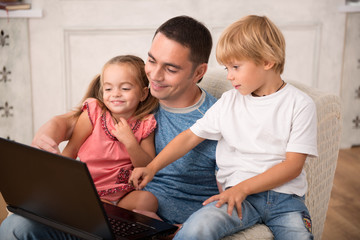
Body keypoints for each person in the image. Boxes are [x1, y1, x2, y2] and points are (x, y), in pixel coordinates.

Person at [0, 15, 219, 239]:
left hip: (161, 226)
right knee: (17, 225)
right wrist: (46, 134)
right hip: (107, 214)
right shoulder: (133, 99)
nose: (155, 75)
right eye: (152, 61)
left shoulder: (218, 118)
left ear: (199, 72)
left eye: (170, 69)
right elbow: (68, 122)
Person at [130, 15, 318, 240]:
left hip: (285, 200)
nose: (229, 76)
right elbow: (188, 138)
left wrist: (243, 188)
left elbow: (292, 167)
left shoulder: (300, 104)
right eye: (227, 67)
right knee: (197, 227)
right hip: (237, 198)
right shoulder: (229, 102)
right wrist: (152, 168)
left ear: (268, 61)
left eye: (235, 67)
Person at [62, 55, 158, 211]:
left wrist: (130, 142)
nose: (115, 94)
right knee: (101, 208)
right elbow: (71, 150)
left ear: (143, 93)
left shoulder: (145, 123)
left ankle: (114, 220)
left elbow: (146, 166)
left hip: (124, 195)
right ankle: (111, 219)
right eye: (108, 88)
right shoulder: (94, 113)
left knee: (148, 201)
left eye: (125, 88)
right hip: (89, 190)